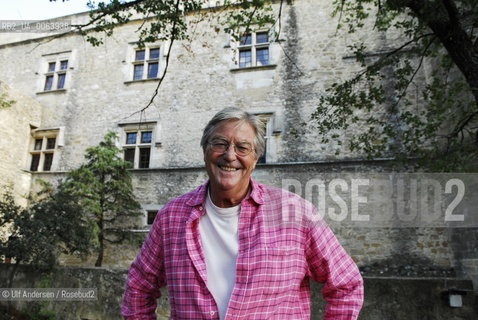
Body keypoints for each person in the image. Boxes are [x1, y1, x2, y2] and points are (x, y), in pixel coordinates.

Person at [122, 107, 364, 319]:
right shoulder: (171, 216)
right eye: (220, 144)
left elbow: (346, 284)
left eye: (242, 147)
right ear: (205, 151)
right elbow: (139, 286)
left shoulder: (295, 213)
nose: (230, 155)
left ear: (255, 158)